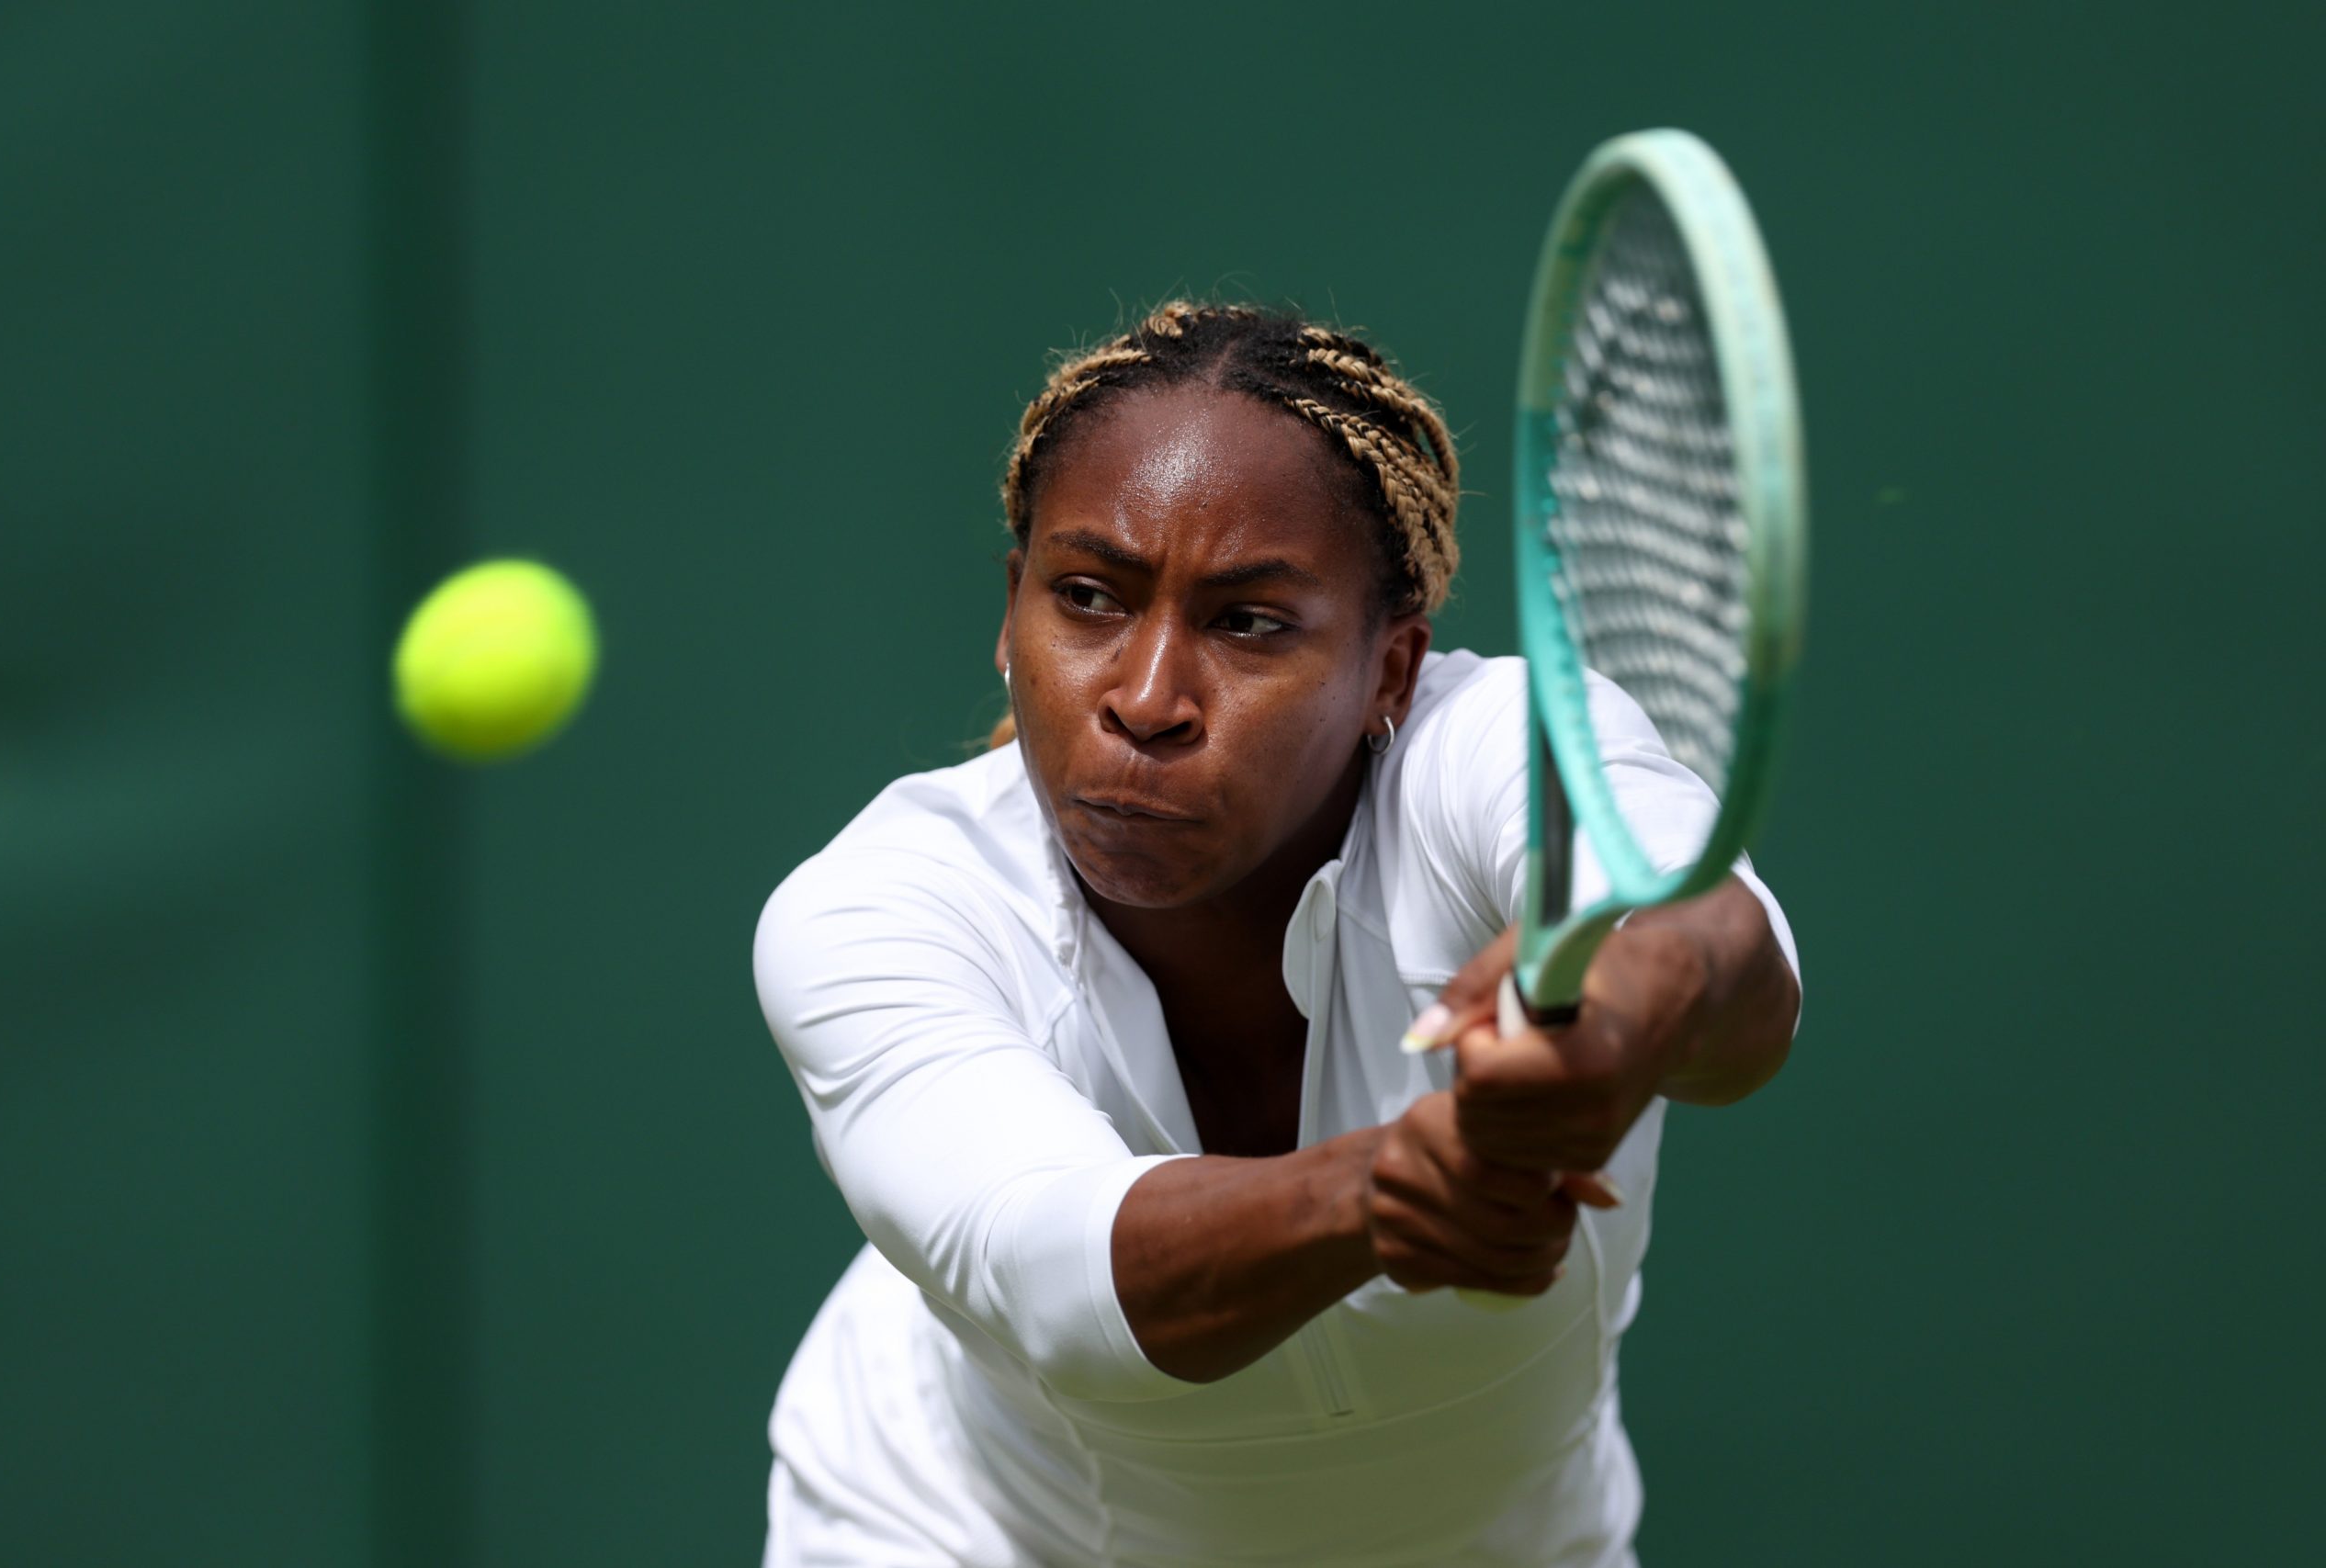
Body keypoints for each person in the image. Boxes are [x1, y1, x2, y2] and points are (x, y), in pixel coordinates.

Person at [752, 301, 1801, 1567]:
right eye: (1085, 598)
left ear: (1391, 676)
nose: (1144, 700)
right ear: (1010, 616)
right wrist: (1391, 1188)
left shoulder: (1492, 750)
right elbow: (1057, 1279)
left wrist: (1609, 1026)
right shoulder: (884, 905)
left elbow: (1725, 965)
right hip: (967, 1537)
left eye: (1250, 624)